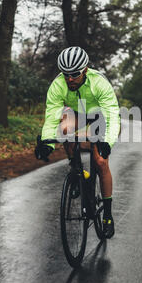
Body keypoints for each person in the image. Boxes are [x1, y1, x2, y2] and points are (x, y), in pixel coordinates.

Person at [35, 46, 120, 239]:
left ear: (85, 70)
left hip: (100, 117)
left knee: (100, 162)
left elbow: (113, 115)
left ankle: (107, 215)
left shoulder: (99, 82)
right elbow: (52, 117)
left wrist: (107, 142)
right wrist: (48, 143)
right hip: (76, 116)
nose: (69, 79)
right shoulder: (58, 85)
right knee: (64, 127)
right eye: (66, 74)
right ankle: (75, 166)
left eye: (74, 74)